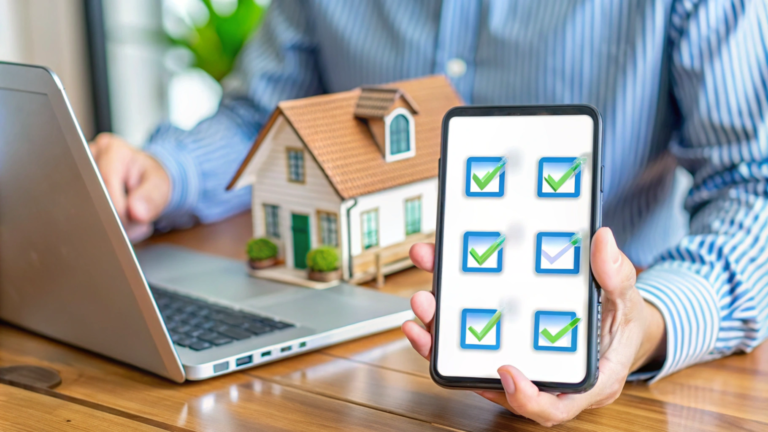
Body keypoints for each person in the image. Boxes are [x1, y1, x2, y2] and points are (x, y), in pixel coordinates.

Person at [89, 0, 768, 426]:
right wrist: (166, 174)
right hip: (342, 366)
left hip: (622, 365)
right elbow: (261, 117)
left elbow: (754, 188)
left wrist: (646, 320)